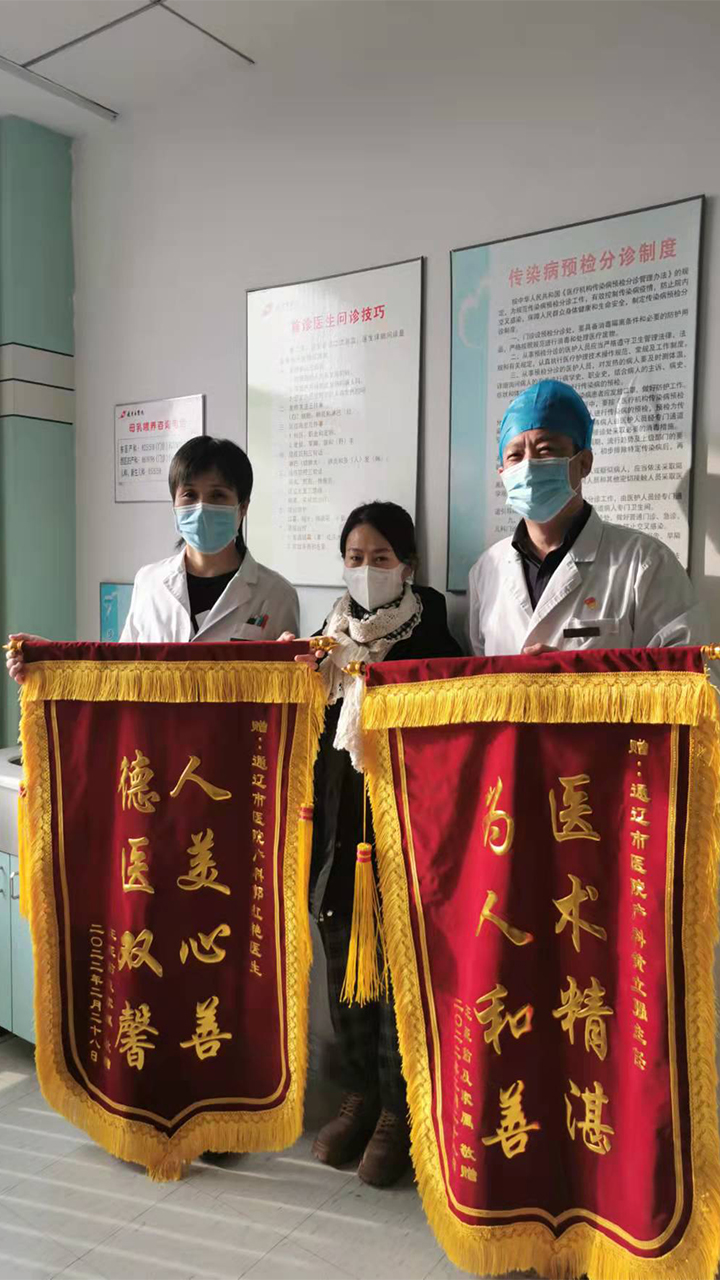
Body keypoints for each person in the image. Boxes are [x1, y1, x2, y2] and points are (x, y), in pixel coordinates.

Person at [281, 501, 462, 1188]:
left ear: (408, 566)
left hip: (405, 841)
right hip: (338, 840)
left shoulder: (436, 642)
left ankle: (397, 1109)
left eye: (381, 558)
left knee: (399, 981)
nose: (366, 570)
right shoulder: (326, 642)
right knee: (345, 973)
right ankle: (358, 1095)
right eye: (354, 557)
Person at [6, 436, 299, 684]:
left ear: (243, 507)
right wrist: (50, 658)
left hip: (235, 735)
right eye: (189, 495)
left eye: (218, 495)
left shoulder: (276, 594)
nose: (201, 507)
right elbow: (117, 674)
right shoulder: (149, 582)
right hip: (154, 735)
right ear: (174, 505)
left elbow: (291, 694)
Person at [468, 379, 704, 656]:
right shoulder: (486, 570)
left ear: (584, 463)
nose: (529, 466)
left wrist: (579, 677)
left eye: (545, 450)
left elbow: (692, 673)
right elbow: (477, 673)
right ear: (503, 474)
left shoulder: (646, 563)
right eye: (515, 456)